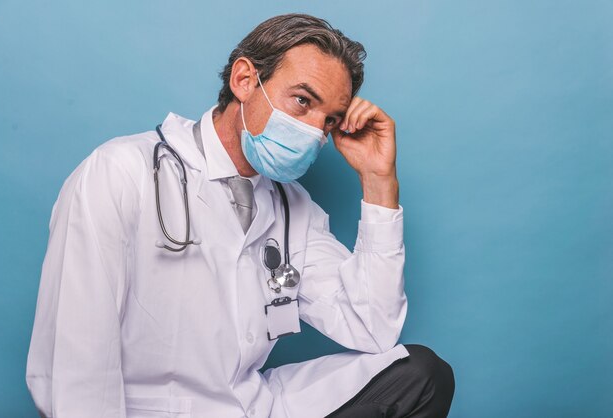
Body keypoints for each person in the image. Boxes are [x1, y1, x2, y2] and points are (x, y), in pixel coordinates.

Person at [26, 13, 454, 418]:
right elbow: (75, 358)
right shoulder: (122, 171)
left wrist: (379, 182)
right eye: (303, 101)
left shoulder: (293, 206)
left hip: (250, 405)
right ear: (245, 79)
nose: (312, 132)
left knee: (419, 376)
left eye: (329, 121)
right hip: (153, 409)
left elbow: (372, 328)